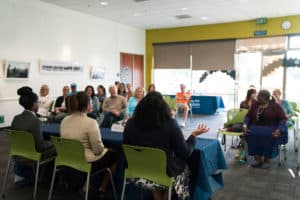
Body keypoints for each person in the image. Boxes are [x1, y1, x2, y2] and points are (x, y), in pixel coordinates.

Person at [124, 91, 209, 200]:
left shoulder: (130, 124)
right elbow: (185, 152)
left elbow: (126, 146)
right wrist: (193, 135)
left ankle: (158, 196)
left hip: (137, 174)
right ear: (163, 107)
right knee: (184, 167)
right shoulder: (170, 124)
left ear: (141, 106)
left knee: (154, 164)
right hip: (163, 175)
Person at [60, 92, 119, 198]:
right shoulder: (91, 122)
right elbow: (98, 151)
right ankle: (102, 187)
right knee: (115, 155)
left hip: (68, 159)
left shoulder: (64, 120)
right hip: (85, 162)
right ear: (88, 105)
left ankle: (87, 185)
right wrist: (105, 148)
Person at [11, 87, 56, 186]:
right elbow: (40, 147)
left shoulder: (15, 118)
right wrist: (52, 143)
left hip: (17, 154)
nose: (38, 104)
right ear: (34, 104)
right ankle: (43, 178)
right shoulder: (35, 121)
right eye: (38, 102)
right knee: (56, 148)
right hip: (31, 156)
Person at [243, 90, 287, 169]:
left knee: (270, 136)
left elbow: (283, 119)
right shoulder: (255, 105)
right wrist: (245, 125)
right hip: (255, 127)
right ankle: (258, 160)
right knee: (250, 134)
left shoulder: (275, 106)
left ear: (267, 98)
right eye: (258, 97)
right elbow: (248, 116)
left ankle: (267, 160)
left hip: (271, 127)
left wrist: (279, 129)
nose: (258, 99)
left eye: (260, 97)